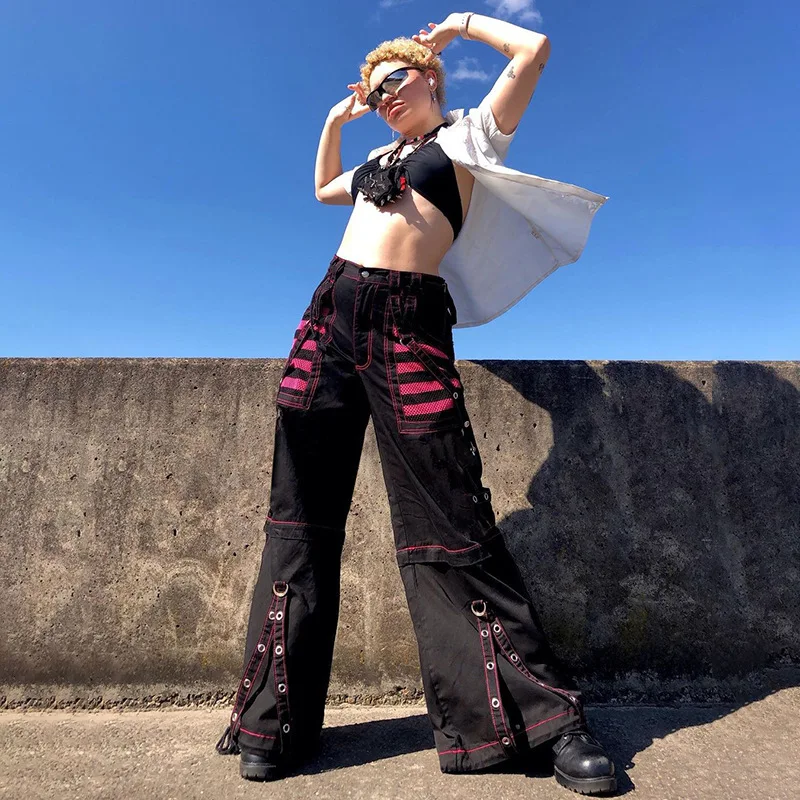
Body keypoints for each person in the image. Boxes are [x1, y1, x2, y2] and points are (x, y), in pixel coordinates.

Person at [215, 11, 616, 796]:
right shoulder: (376, 158)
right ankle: (273, 723)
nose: (384, 97)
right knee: (299, 519)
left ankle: (544, 724)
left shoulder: (469, 139)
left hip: (407, 322)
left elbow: (533, 50)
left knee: (451, 518)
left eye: (394, 81)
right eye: (374, 92)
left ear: (431, 79)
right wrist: (336, 120)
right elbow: (323, 189)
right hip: (329, 319)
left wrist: (458, 25)